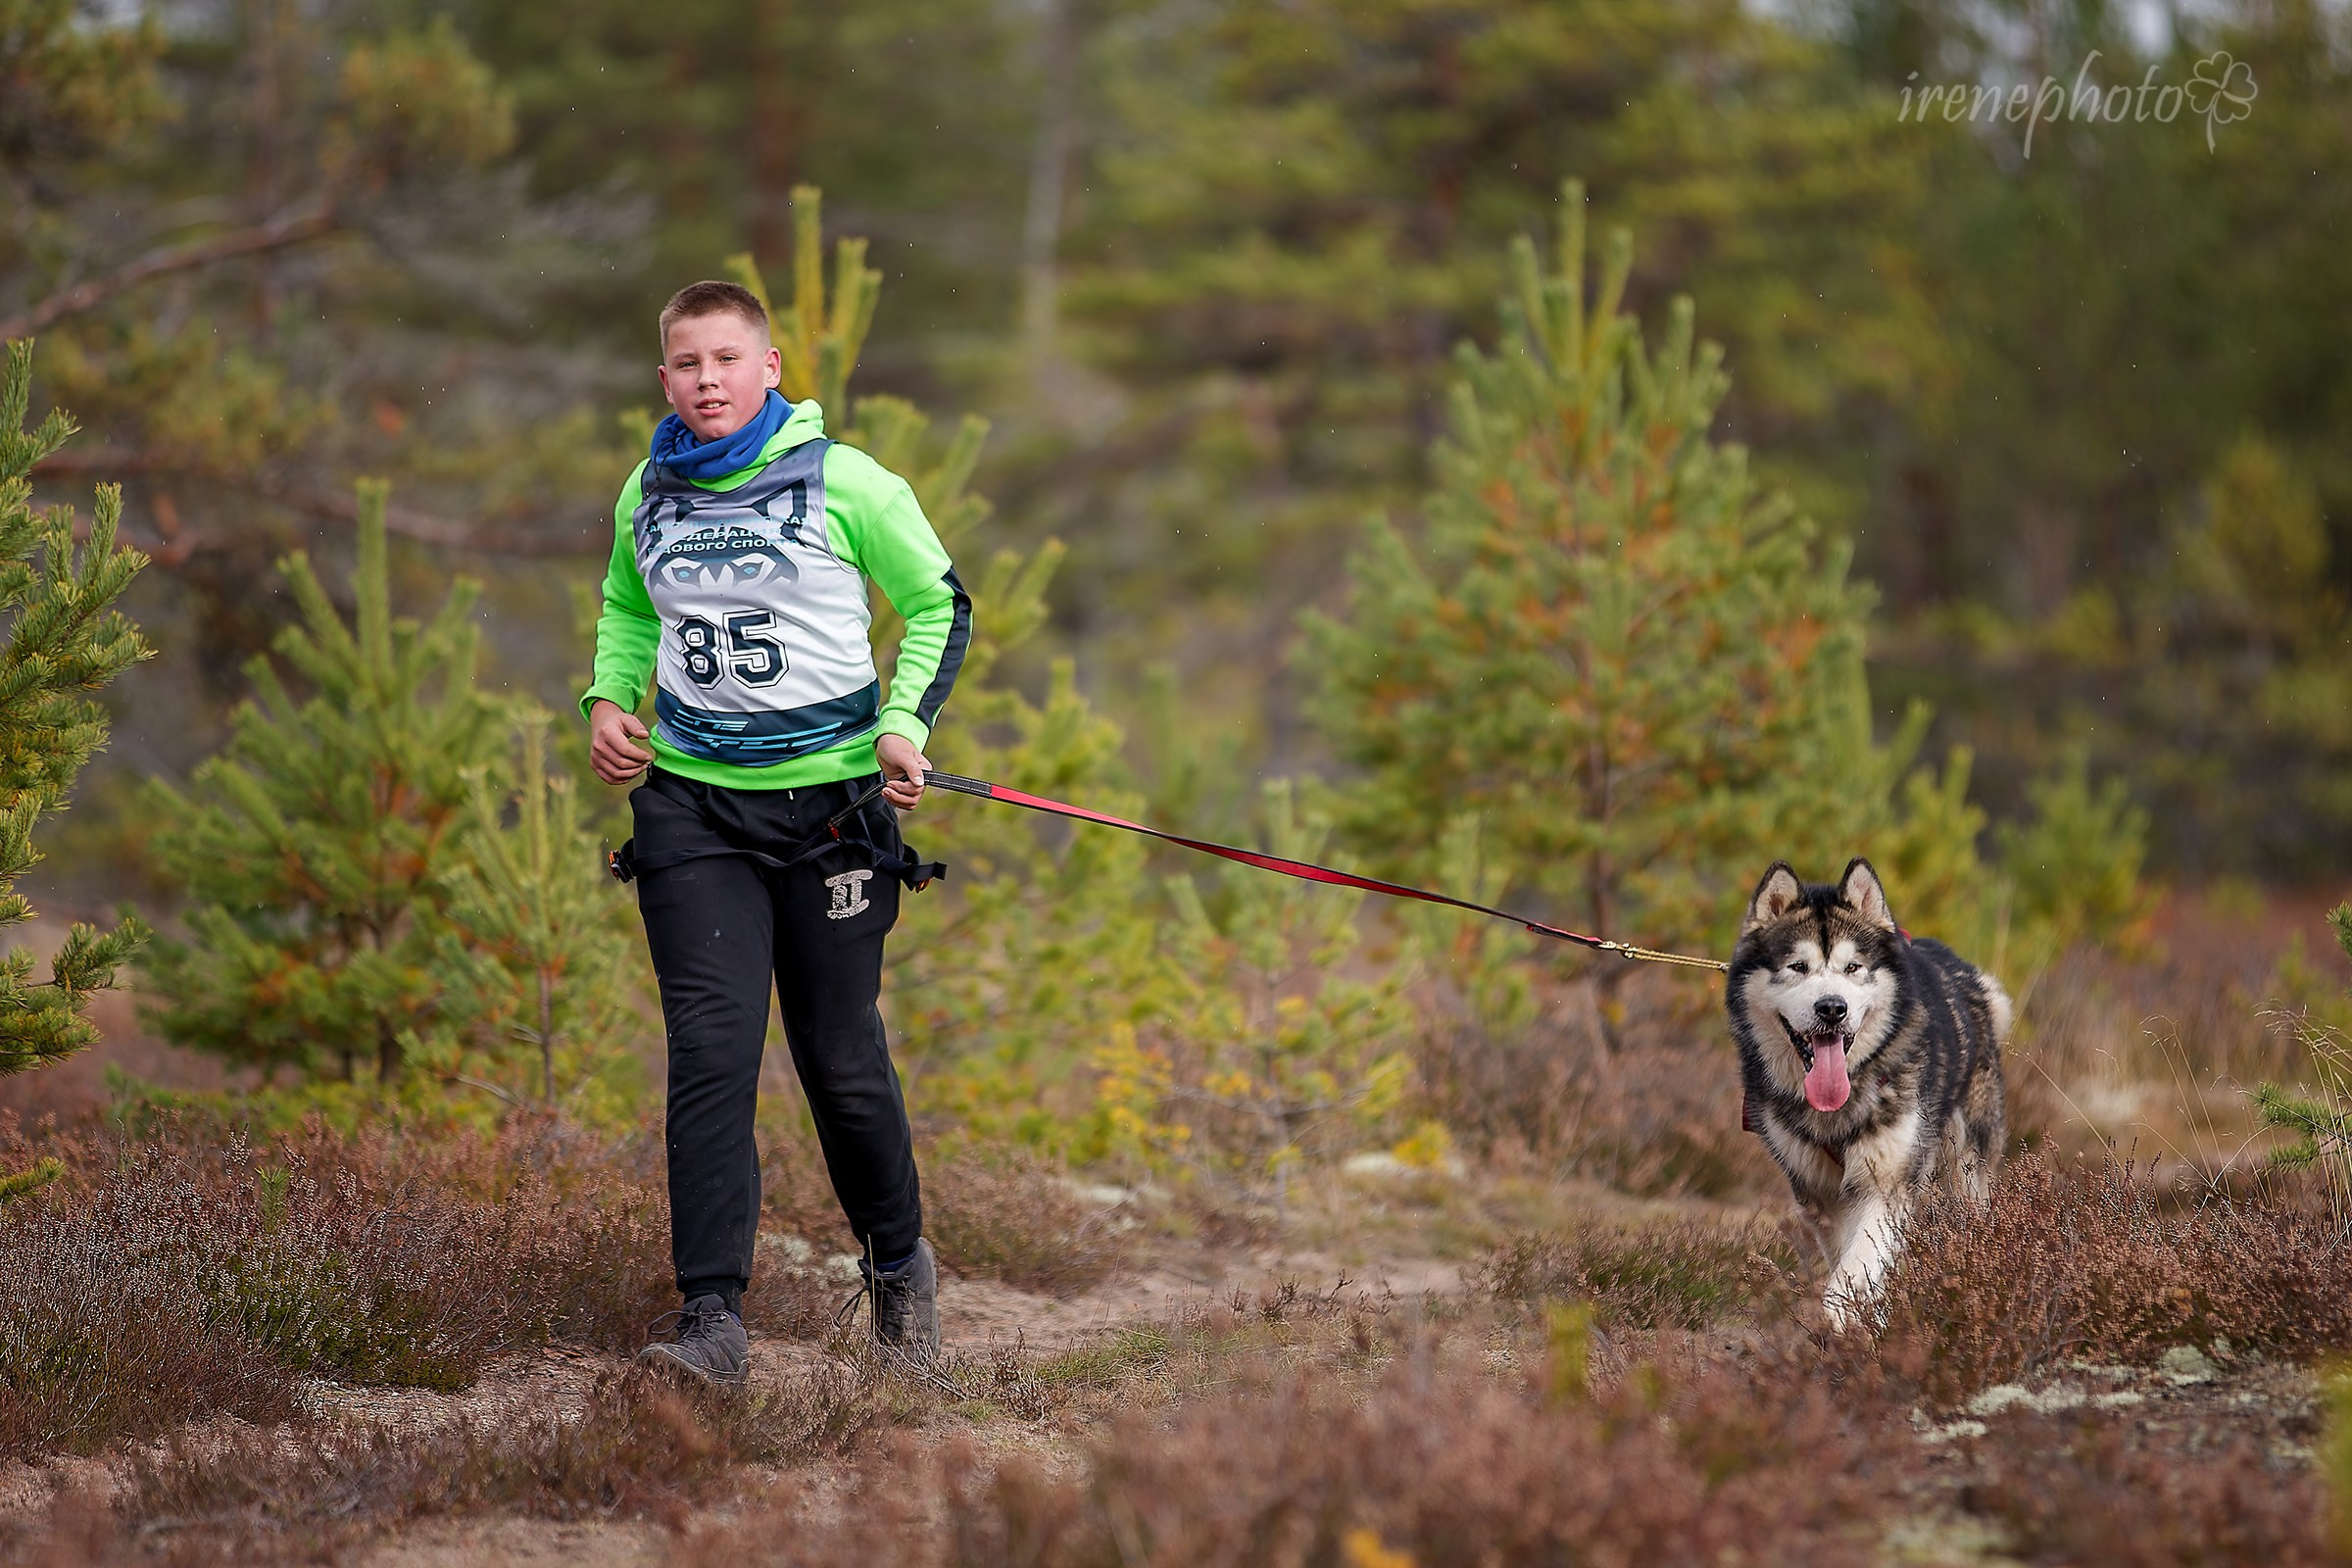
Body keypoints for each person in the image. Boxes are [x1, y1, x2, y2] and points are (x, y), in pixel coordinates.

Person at [580, 278, 971, 1386]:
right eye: (686, 364)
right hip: (695, 808)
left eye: (725, 360)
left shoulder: (851, 482)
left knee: (838, 1058)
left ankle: (898, 1271)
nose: (706, 380)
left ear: (770, 368)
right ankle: (712, 1323)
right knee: (710, 1053)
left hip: (837, 810)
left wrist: (903, 726)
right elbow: (625, 606)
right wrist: (609, 700)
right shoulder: (645, 495)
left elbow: (944, 602)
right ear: (664, 379)